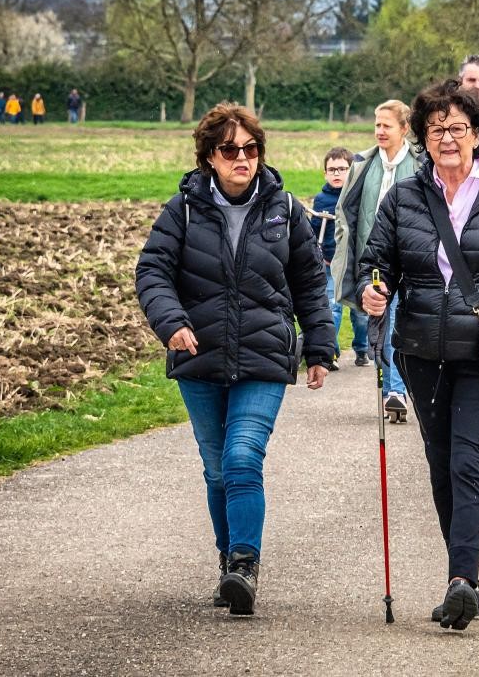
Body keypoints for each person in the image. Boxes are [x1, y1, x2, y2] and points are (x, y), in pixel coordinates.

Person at [358, 79, 479, 630]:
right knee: (442, 464)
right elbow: (376, 262)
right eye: (436, 129)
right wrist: (374, 289)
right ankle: (465, 580)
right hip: (420, 350)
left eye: (458, 128)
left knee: (469, 460)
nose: (447, 138)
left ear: (478, 133)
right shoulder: (404, 197)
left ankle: (461, 580)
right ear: (423, 138)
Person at [135, 102, 335, 616]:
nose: (242, 158)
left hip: (264, 355)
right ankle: (228, 562)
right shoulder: (181, 211)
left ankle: (245, 566)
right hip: (198, 355)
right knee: (216, 469)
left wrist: (319, 345)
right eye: (229, 150)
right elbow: (152, 272)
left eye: (251, 148)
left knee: (242, 457)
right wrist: (172, 322)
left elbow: (310, 281)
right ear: (209, 157)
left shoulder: (284, 210)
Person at [332, 100, 422, 422]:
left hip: (410, 260)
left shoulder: (420, 164)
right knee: (380, 320)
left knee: (397, 320)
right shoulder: (363, 165)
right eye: (377, 125)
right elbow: (346, 212)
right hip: (373, 261)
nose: (380, 131)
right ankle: (392, 391)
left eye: (387, 125)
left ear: (404, 128)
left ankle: (395, 390)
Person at [311, 146, 369, 370]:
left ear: (351, 171)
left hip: (356, 265)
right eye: (332, 169)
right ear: (325, 173)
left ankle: (362, 348)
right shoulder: (321, 200)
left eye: (342, 169)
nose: (337, 174)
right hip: (330, 264)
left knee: (360, 312)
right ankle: (330, 352)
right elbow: (314, 230)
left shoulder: (359, 195)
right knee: (331, 308)